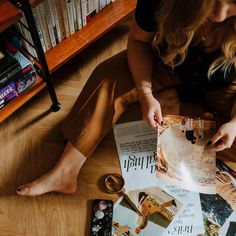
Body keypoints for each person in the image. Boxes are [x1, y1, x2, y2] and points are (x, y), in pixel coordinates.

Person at [17, 0, 236, 197]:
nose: (218, 14)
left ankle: (176, 104)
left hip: (226, 87)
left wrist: (234, 124)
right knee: (109, 75)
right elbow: (139, 42)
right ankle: (65, 171)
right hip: (169, 63)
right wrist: (145, 94)